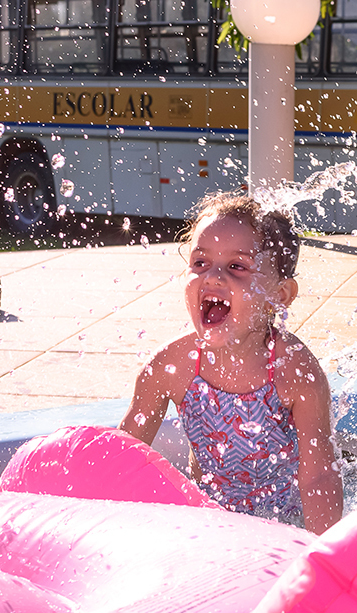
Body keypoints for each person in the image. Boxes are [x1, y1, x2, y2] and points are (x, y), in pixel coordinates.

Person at [120, 190, 343, 534]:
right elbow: (123, 458)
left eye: (237, 266)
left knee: (338, 459)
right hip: (216, 521)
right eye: (200, 263)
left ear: (279, 296)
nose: (213, 277)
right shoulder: (170, 368)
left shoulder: (294, 371)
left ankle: (351, 454)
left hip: (289, 518)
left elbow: (318, 477)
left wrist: (324, 560)